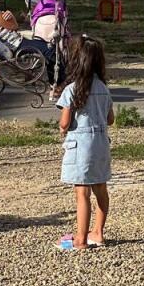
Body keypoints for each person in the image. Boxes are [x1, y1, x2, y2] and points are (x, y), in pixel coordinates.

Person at [55, 35, 114, 251]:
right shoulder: (103, 88)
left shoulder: (72, 89)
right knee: (101, 188)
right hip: (101, 144)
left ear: (77, 61)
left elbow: (64, 123)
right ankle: (97, 232)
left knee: (82, 193)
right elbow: (110, 119)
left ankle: (80, 239)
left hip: (80, 145)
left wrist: (63, 128)